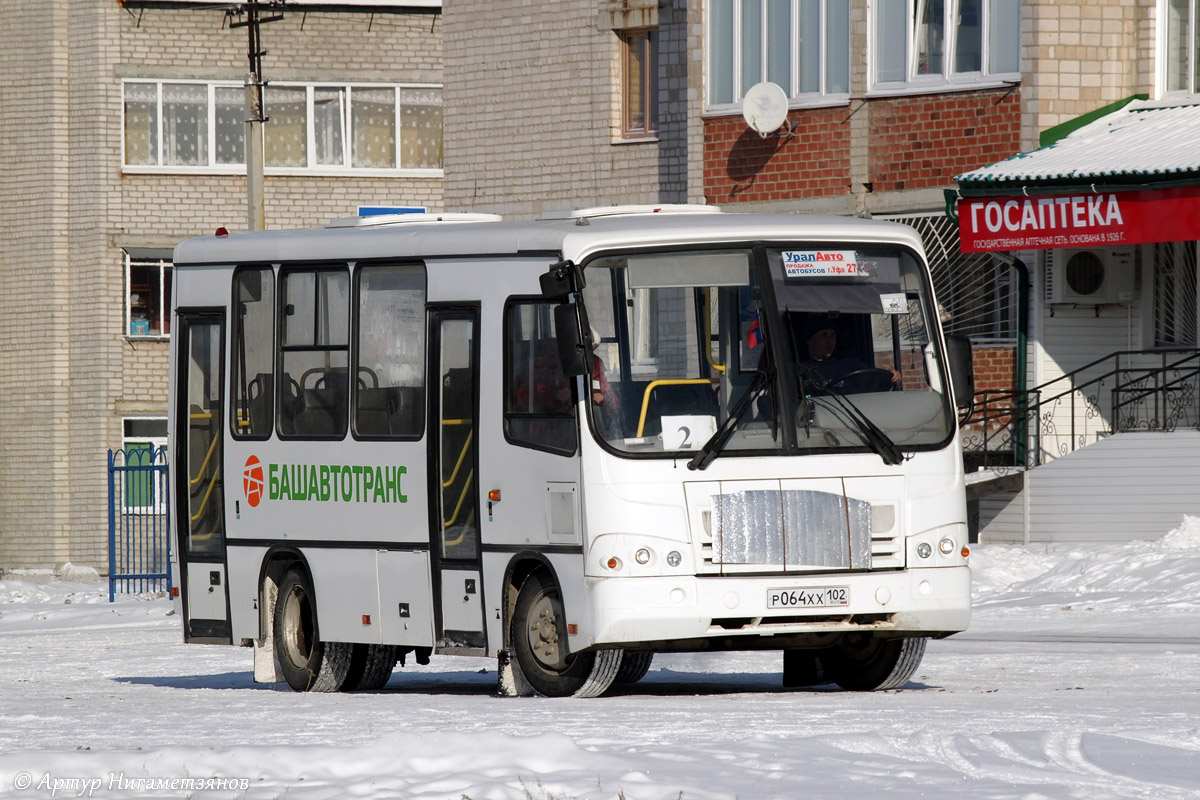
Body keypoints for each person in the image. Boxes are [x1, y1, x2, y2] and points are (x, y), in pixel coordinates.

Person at [799, 313, 899, 393]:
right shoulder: (800, 370)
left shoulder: (850, 365)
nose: (830, 341)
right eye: (823, 335)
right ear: (809, 340)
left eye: (832, 335)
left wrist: (890, 377)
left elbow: (874, 383)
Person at [589, 328, 622, 438]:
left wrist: (604, 398)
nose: (589, 357)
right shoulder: (553, 366)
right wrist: (588, 397)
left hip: (598, 432)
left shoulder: (596, 363)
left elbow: (614, 405)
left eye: (592, 350)